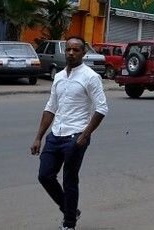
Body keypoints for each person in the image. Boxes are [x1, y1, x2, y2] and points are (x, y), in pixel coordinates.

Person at [32, 36, 108, 230]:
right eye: (68, 50)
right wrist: (39, 136)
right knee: (45, 175)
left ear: (83, 53)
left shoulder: (90, 77)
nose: (71, 53)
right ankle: (70, 210)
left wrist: (84, 136)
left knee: (69, 179)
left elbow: (101, 109)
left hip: (76, 135)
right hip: (56, 134)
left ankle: (69, 224)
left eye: (76, 50)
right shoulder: (58, 76)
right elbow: (51, 107)